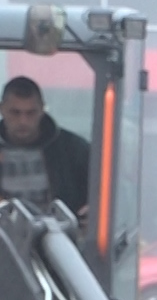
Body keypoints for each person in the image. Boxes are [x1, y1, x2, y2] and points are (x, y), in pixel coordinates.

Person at [0, 76, 90, 215]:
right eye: (15, 113)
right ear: (2, 109)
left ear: (42, 109)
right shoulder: (73, 148)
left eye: (31, 113)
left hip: (61, 227)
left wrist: (93, 210)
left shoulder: (73, 150)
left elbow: (104, 188)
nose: (23, 121)